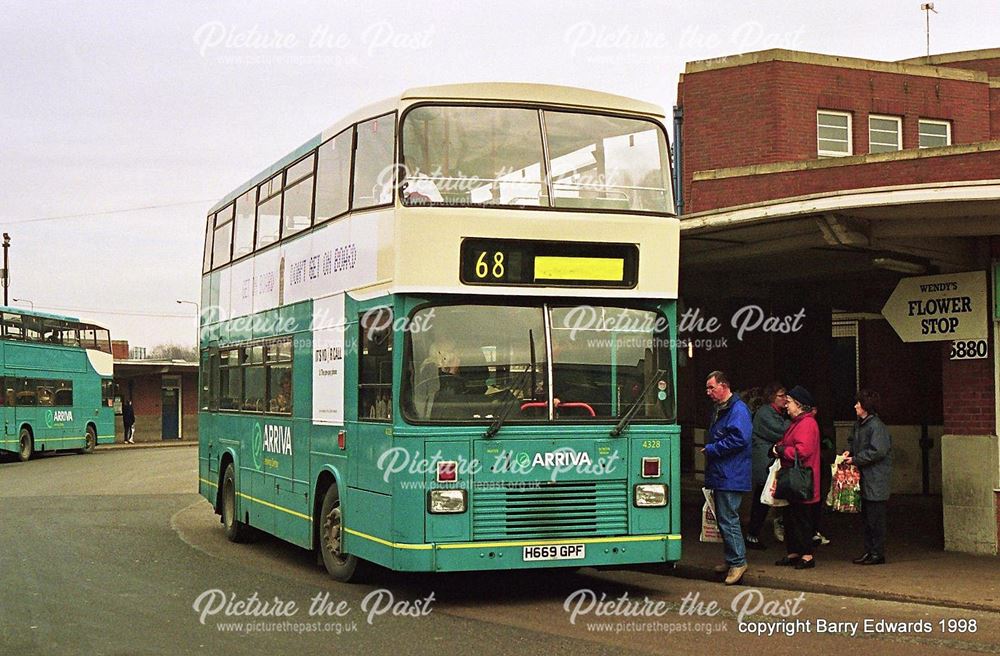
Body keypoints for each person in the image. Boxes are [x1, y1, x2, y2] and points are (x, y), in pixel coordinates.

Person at [703, 370, 753, 585]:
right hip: (725, 472)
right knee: (724, 519)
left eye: (711, 387)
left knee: (728, 519)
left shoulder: (737, 409)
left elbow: (740, 439)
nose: (708, 392)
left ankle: (738, 562)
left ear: (724, 386)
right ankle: (732, 559)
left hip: (731, 473)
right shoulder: (723, 408)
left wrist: (713, 449)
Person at [771, 385, 821, 569]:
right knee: (791, 517)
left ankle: (807, 555)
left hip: (802, 480)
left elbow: (803, 451)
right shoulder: (797, 422)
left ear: (799, 405)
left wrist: (782, 450)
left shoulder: (806, 424)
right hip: (794, 479)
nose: (786, 404)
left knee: (802, 519)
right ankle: (794, 552)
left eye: (790, 401)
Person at [845, 389, 892, 565]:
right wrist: (849, 451)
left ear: (866, 406)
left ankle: (877, 552)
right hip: (867, 478)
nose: (855, 405)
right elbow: (853, 441)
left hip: (875, 479)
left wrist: (855, 459)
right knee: (867, 519)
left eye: (859, 403)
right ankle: (870, 551)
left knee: (875, 519)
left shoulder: (875, 426)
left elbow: (878, 451)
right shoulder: (861, 424)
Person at [745, 383, 789, 550]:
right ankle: (752, 534)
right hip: (765, 462)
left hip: (769, 461)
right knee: (762, 499)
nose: (785, 399)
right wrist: (794, 418)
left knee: (763, 498)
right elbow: (781, 432)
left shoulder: (775, 413)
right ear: (772, 397)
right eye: (781, 395)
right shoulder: (765, 413)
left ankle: (755, 533)